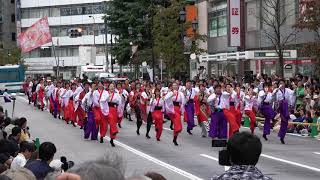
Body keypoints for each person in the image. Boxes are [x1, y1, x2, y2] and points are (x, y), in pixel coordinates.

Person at [275, 79, 295, 144]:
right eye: (280, 83)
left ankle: (282, 136)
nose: (281, 84)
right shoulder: (277, 90)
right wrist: (277, 89)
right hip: (281, 105)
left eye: (282, 83)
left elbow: (292, 94)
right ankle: (281, 136)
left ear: (284, 84)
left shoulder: (287, 90)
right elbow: (275, 98)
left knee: (285, 123)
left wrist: (294, 86)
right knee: (284, 121)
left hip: (286, 106)